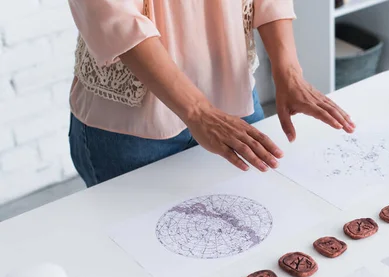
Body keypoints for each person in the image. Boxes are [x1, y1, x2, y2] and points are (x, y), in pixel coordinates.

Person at [67, 0, 355, 187]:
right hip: (134, 128)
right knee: (146, 264)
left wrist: (288, 71)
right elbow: (112, 15)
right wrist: (198, 112)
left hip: (234, 100)